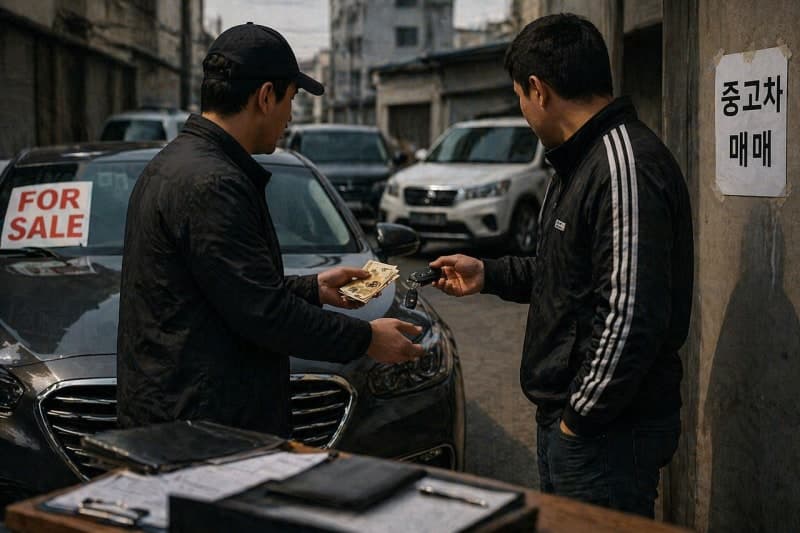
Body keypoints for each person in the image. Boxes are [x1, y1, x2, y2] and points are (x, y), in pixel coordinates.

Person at [430, 14, 694, 517]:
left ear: (539, 89)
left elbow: (630, 315)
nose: (524, 110)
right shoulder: (577, 162)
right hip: (576, 425)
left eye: (519, 97)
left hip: (605, 434)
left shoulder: (623, 165)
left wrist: (580, 419)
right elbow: (565, 275)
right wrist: (488, 273)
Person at [117, 23, 424, 437]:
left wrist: (312, 288)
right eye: (291, 99)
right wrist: (366, 337)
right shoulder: (214, 182)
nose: (291, 116)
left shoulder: (178, 162)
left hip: (185, 417)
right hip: (203, 431)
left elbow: (230, 290)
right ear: (265, 97)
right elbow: (264, 314)